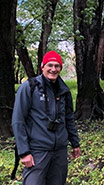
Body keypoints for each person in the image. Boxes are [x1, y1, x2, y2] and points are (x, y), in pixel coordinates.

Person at [12, 50, 80, 185]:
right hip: (37, 150)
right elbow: (18, 120)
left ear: (60, 68)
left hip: (60, 151)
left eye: (57, 66)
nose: (53, 69)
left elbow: (68, 119)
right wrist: (24, 152)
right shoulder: (29, 87)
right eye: (50, 65)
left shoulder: (64, 90)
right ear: (43, 67)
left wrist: (75, 143)